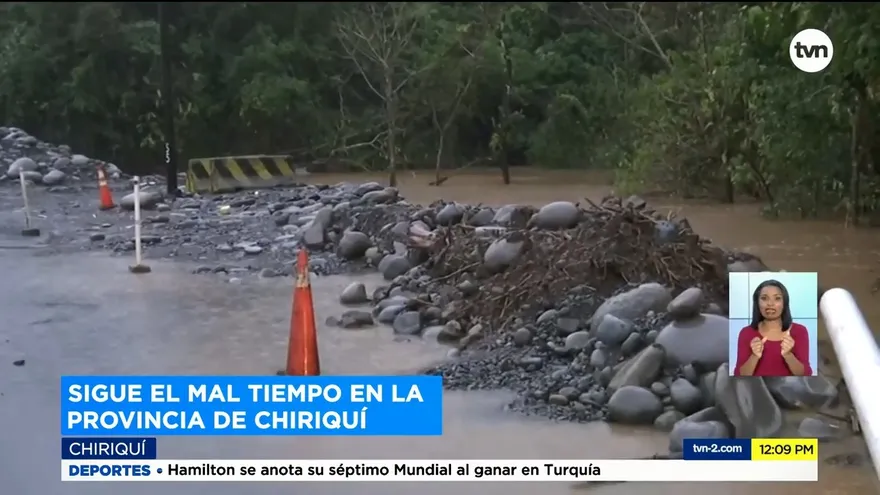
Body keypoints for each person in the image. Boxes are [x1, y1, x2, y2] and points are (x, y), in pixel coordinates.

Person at [733, 279, 813, 377]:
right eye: (764, 298)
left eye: (777, 298)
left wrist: (788, 355)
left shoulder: (800, 331)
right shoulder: (746, 333)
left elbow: (806, 374)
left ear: (785, 303)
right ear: (757, 303)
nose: (770, 303)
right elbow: (739, 375)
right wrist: (754, 356)